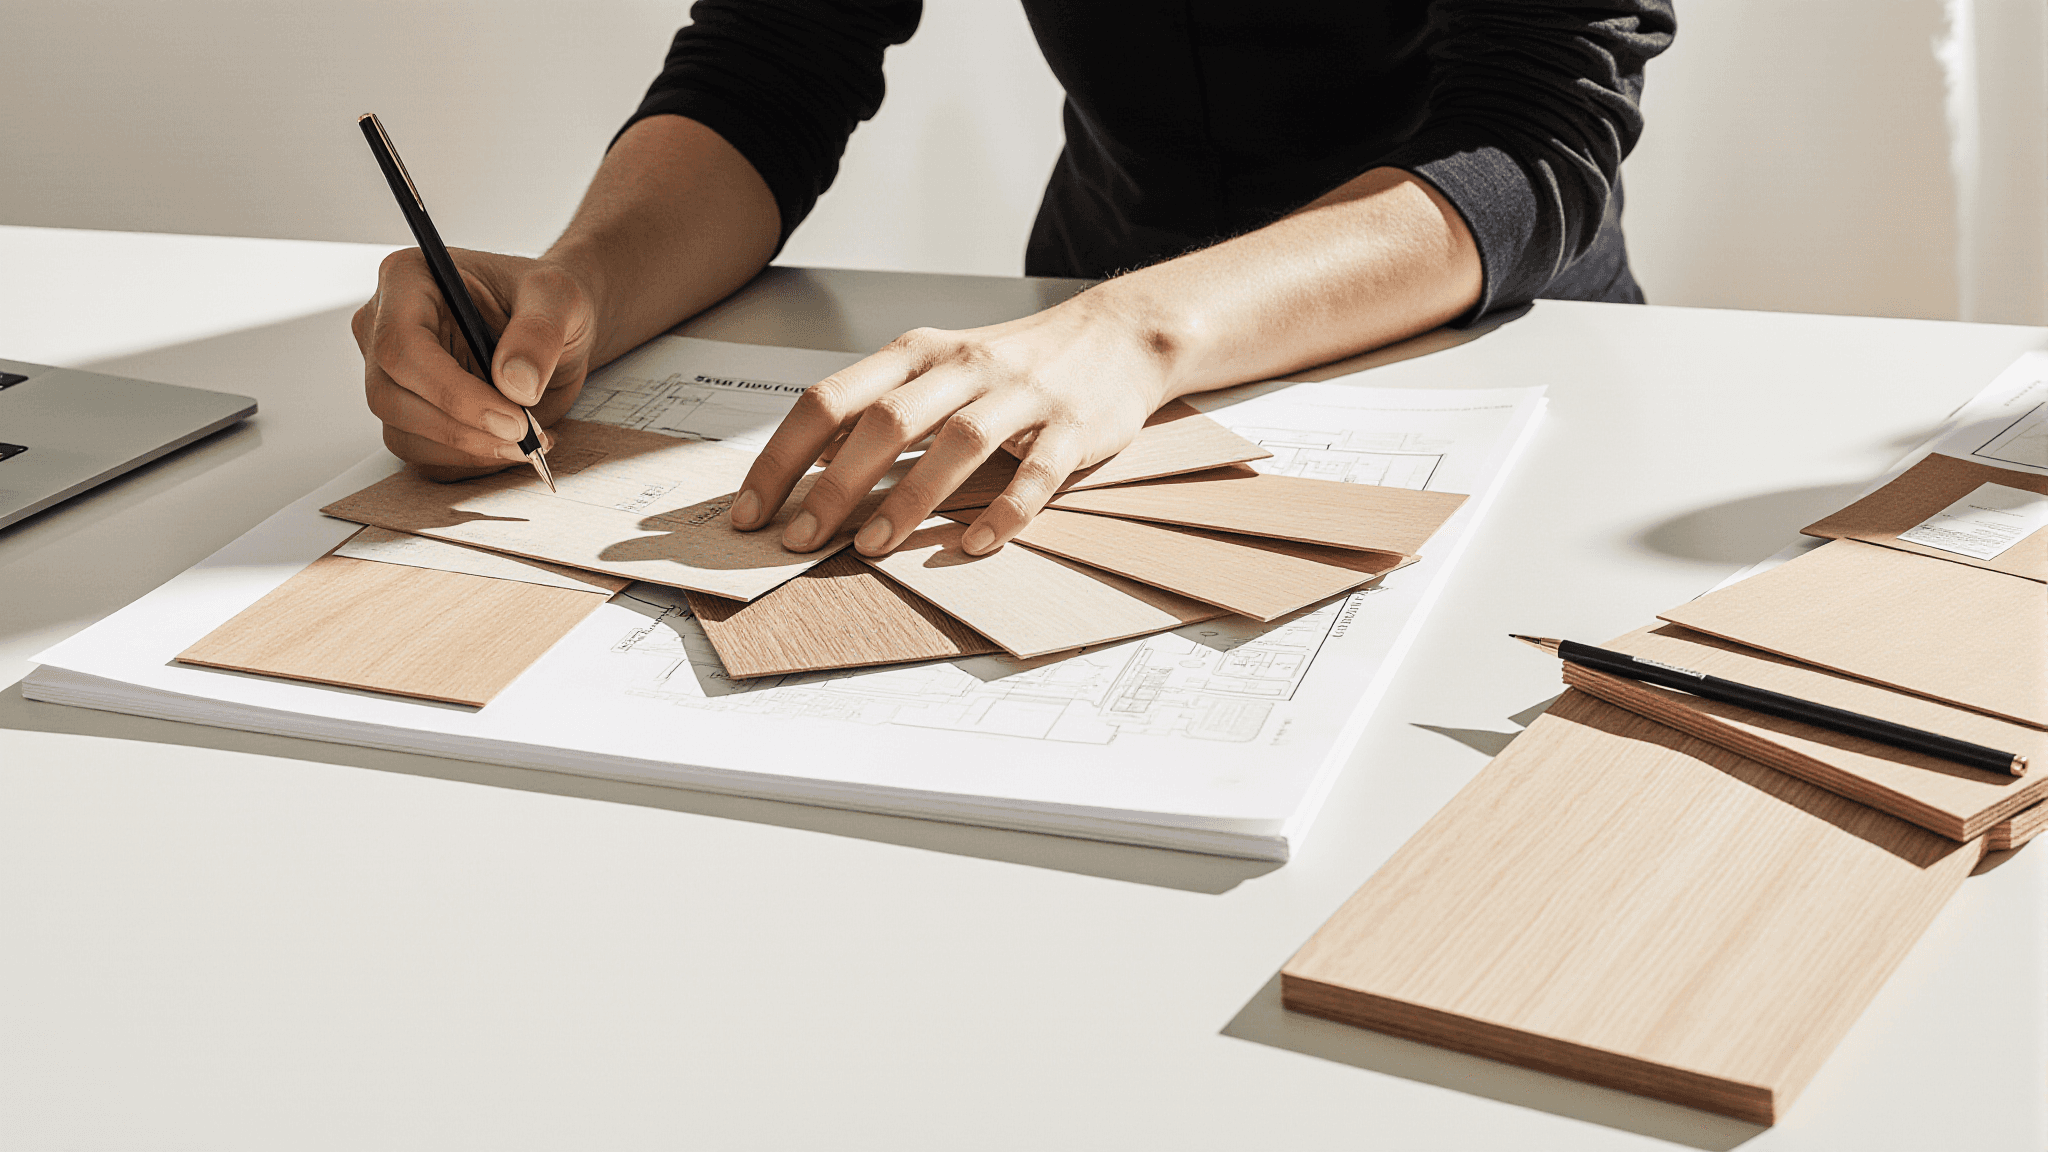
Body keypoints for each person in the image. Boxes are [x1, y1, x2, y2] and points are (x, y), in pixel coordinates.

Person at [353, 1, 1675, 558]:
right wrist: (581, 291)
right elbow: (772, 66)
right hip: (1083, 362)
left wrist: (1133, 331)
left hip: (1478, 343)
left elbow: (1536, 132)